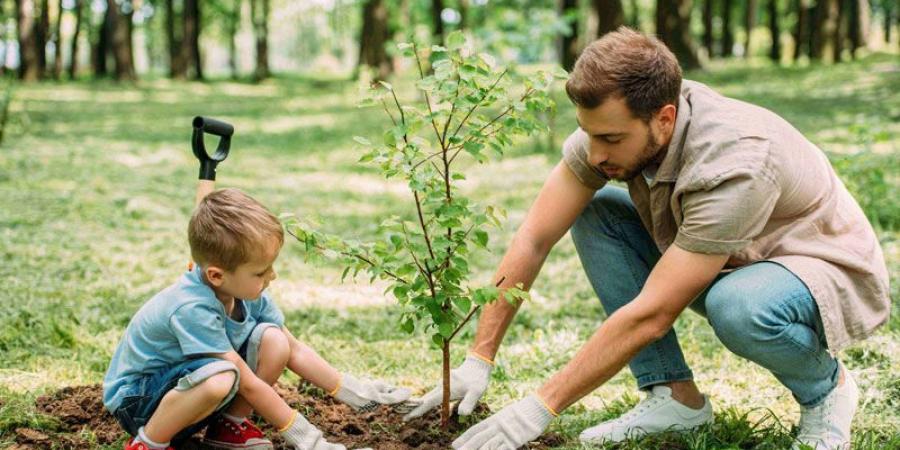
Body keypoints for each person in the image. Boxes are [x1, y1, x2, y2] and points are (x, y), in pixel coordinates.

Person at [404, 27, 890, 450]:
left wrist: (540, 406)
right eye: (588, 134)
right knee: (597, 214)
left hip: (818, 269)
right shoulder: (610, 131)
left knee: (737, 306)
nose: (595, 154)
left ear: (664, 117)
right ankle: (674, 399)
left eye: (611, 140)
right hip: (729, 257)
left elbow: (654, 314)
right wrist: (478, 357)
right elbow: (534, 236)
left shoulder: (736, 162)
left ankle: (826, 390)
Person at [103, 188, 410, 450]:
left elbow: (294, 349)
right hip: (139, 402)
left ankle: (227, 429)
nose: (272, 276)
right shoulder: (191, 307)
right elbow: (247, 384)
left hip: (187, 391)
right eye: (261, 272)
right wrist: (309, 440)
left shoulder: (246, 293)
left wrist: (354, 392)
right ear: (216, 275)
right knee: (221, 376)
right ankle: (148, 443)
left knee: (275, 341)